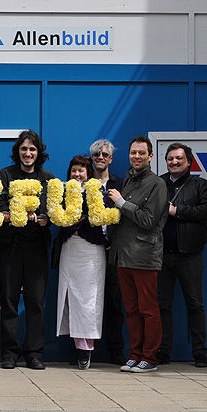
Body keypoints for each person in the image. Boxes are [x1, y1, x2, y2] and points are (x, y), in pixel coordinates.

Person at [108, 135, 168, 373]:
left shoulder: (157, 184)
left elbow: (148, 219)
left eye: (142, 153)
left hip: (144, 255)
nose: (137, 156)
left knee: (148, 309)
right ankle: (135, 355)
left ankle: (150, 358)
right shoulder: (129, 181)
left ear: (150, 156)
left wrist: (121, 203)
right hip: (123, 255)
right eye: (133, 152)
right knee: (131, 310)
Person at [0, 130, 54, 370]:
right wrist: (7, 215)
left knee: (35, 302)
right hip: (10, 247)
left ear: (38, 152)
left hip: (37, 248)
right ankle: (9, 354)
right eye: (23, 149)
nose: (28, 153)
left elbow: (54, 209)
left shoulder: (47, 178)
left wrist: (45, 219)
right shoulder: (5, 175)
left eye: (32, 149)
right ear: (17, 152)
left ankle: (34, 354)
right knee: (9, 301)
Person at [156, 142, 207, 367]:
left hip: (189, 255)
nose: (174, 162)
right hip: (161, 255)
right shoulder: (159, 183)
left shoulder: (201, 185)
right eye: (171, 158)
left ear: (189, 161)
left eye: (179, 158)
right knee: (162, 305)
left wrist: (177, 211)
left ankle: (199, 352)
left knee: (195, 304)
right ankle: (164, 351)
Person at [56, 155, 108, 369]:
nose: (77, 175)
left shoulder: (98, 193)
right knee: (70, 297)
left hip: (92, 250)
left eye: (81, 171)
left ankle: (86, 349)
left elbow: (107, 220)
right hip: (69, 248)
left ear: (89, 173)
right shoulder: (62, 192)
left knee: (89, 298)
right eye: (74, 171)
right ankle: (77, 347)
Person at [90, 139, 127, 366]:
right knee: (88, 301)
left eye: (104, 155)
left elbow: (128, 217)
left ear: (110, 159)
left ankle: (115, 350)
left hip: (113, 251)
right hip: (89, 249)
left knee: (114, 301)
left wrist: (117, 241)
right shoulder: (81, 183)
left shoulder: (122, 184)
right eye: (96, 155)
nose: (100, 158)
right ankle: (84, 350)